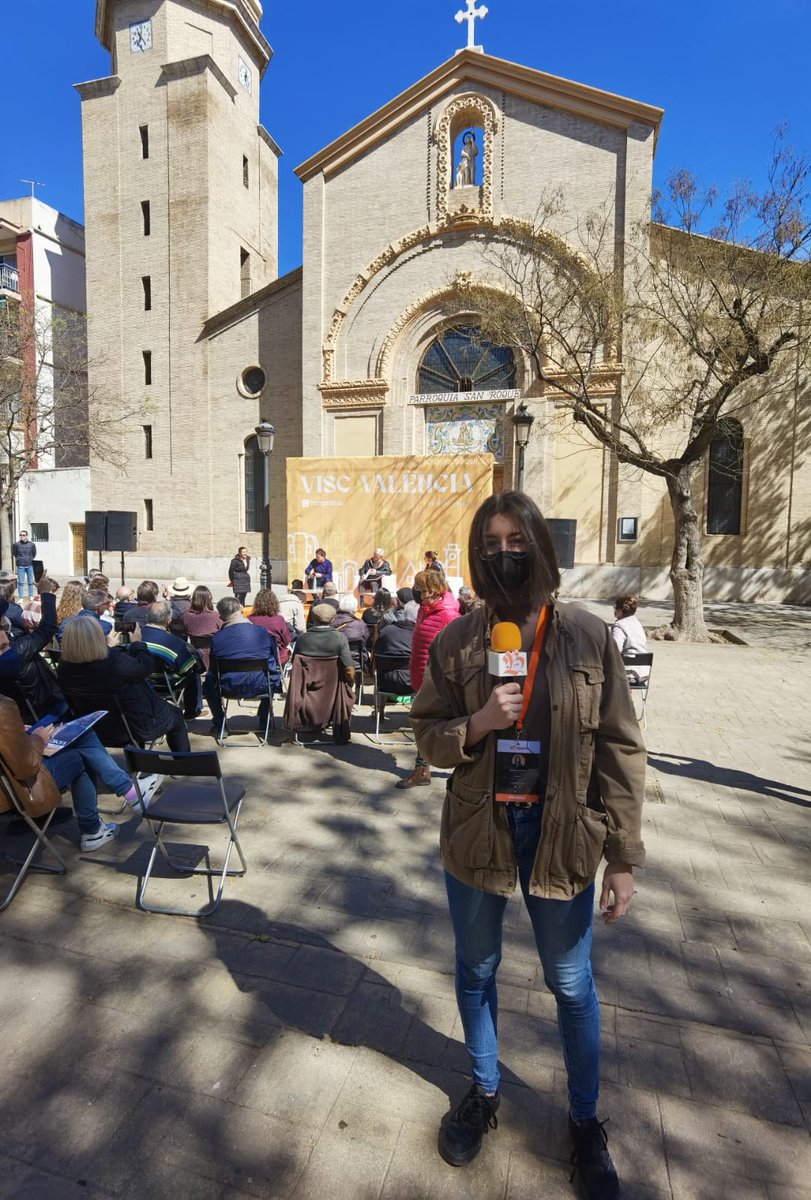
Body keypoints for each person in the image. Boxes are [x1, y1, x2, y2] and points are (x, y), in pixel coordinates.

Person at [410, 491, 646, 1198]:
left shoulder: (584, 635)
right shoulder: (457, 641)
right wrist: (475, 723)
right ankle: (484, 1092)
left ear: (540, 547)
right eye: (491, 541)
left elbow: (620, 748)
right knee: (475, 970)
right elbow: (425, 736)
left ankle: (582, 1121)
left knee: (570, 984)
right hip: (479, 828)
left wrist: (624, 857)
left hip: (563, 833)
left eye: (517, 539)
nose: (503, 552)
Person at [0, 695, 136, 851]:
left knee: (78, 743)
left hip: (8, 784)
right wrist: (37, 738)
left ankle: (125, 791)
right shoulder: (3, 707)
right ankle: (99, 823)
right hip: (18, 790)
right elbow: (26, 768)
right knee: (83, 749)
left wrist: (18, 733)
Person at [58, 617, 191, 752]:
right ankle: (182, 762)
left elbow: (93, 665)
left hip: (94, 728)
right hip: (134, 727)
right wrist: (138, 643)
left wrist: (108, 647)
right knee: (176, 715)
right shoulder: (114, 660)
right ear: (97, 636)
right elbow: (145, 668)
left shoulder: (63, 667)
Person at [396, 571, 459, 789]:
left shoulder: (448, 615)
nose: (415, 591)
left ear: (432, 590)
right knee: (423, 725)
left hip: (436, 682)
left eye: (419, 588)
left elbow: (457, 650)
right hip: (421, 676)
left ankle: (422, 770)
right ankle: (423, 769)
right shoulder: (425, 609)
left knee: (424, 725)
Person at [204, 596, 281, 735]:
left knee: (208, 683)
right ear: (241, 609)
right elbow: (274, 662)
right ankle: (265, 720)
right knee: (272, 675)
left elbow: (213, 670)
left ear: (221, 616)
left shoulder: (217, 638)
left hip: (229, 686)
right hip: (261, 684)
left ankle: (220, 724)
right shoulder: (263, 633)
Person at [0, 576, 68, 719]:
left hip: (21, 715)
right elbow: (47, 627)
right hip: (44, 712)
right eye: (1, 627)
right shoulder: (16, 652)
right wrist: (46, 593)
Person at [141, 600, 205, 718]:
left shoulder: (134, 637)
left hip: (139, 680)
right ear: (168, 620)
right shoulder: (174, 642)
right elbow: (187, 668)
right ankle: (192, 711)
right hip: (165, 683)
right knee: (193, 670)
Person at [293, 603, 355, 680]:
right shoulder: (340, 638)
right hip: (333, 686)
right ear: (333, 619)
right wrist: (350, 683)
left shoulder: (302, 638)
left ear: (313, 618)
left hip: (306, 686)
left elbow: (295, 663)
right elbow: (349, 667)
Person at [372, 599, 417, 695]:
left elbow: (377, 653)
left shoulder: (386, 631)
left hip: (386, 681)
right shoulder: (419, 634)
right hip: (413, 683)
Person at [181, 585, 222, 669]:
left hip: (195, 655)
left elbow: (184, 633)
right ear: (209, 599)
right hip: (213, 656)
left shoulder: (186, 616)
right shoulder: (215, 616)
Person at [248, 589, 293, 665]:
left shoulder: (249, 619)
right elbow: (286, 641)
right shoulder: (279, 619)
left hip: (255, 656)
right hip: (277, 657)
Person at [12, 530, 37, 600]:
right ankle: (21, 597)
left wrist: (29, 559)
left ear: (27, 536)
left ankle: (31, 595)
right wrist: (20, 559)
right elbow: (15, 554)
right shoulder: (16, 545)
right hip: (20, 566)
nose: (22, 536)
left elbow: (34, 554)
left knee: (30, 582)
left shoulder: (32, 545)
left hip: (29, 565)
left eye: (23, 535)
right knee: (20, 582)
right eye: (21, 535)